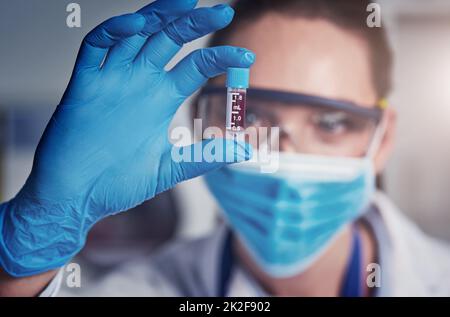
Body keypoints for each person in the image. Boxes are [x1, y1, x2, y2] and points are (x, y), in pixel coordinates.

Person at [0, 0, 449, 297]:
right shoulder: (149, 288)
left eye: (331, 123)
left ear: (382, 139)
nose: (282, 157)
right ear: (203, 122)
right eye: (248, 116)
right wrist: (36, 240)